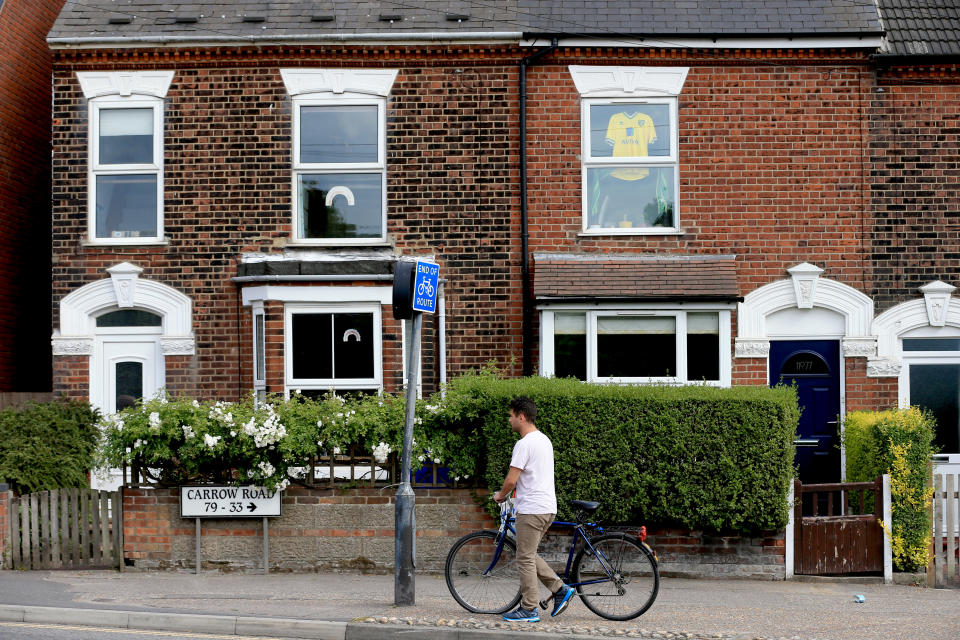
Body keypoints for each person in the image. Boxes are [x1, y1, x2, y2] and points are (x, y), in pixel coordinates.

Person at [493, 396, 575, 622]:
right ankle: (560, 589)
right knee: (527, 553)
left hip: (531, 509)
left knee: (525, 558)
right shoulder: (544, 440)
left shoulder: (524, 443)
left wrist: (501, 496)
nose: (509, 420)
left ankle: (529, 609)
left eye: (510, 416)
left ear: (521, 416)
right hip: (547, 507)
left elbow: (511, 480)